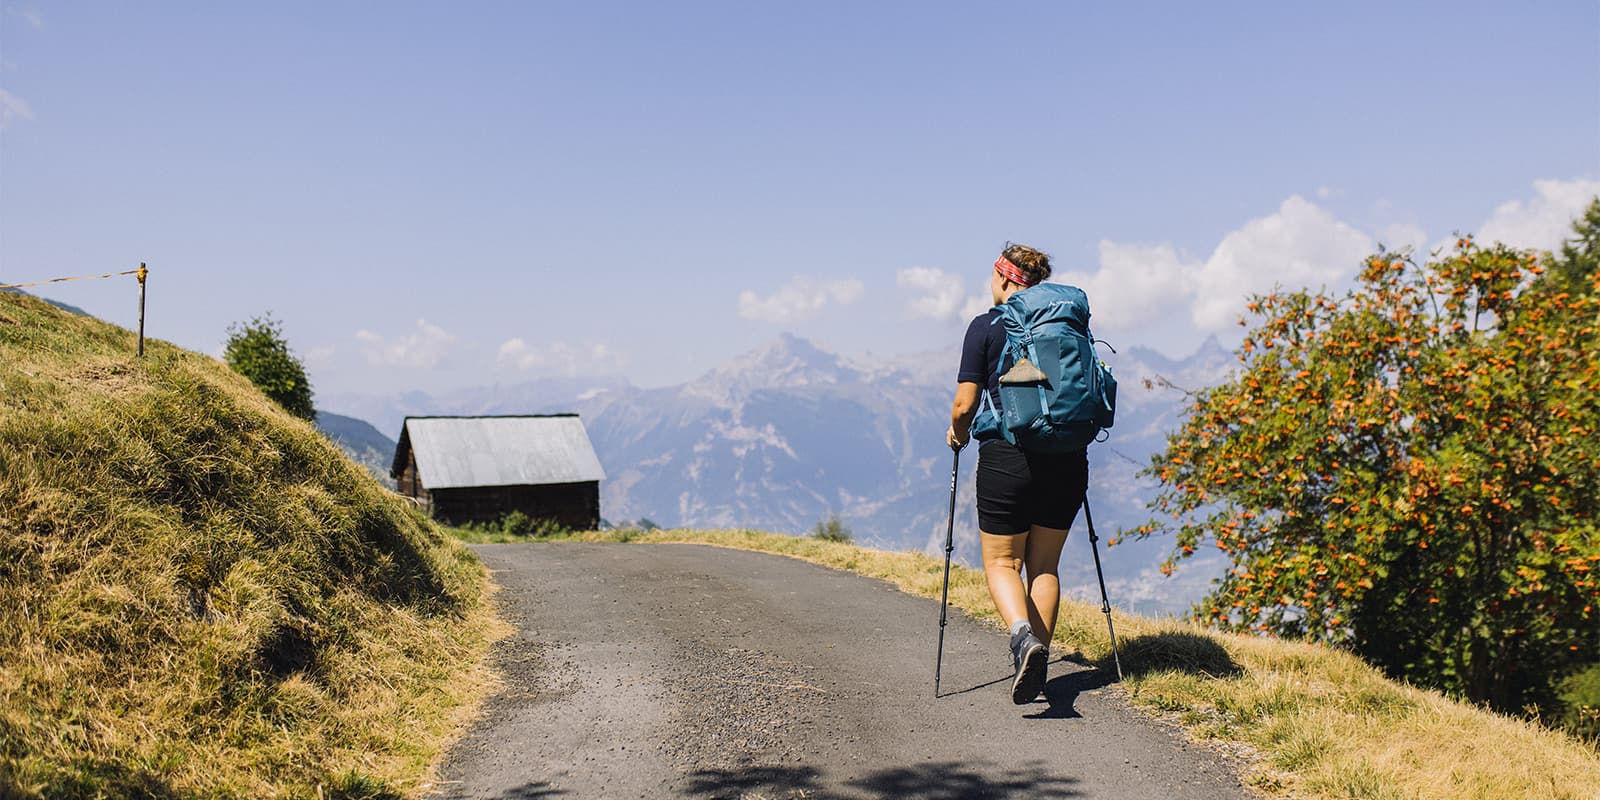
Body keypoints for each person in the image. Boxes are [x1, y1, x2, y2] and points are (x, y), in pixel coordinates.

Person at [946, 243, 1089, 705]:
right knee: (1043, 567)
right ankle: (1039, 661)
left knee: (1002, 563)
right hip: (1067, 458)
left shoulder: (986, 326)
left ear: (1004, 278)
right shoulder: (1067, 328)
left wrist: (956, 433)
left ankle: (1023, 640)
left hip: (1008, 457)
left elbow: (965, 404)